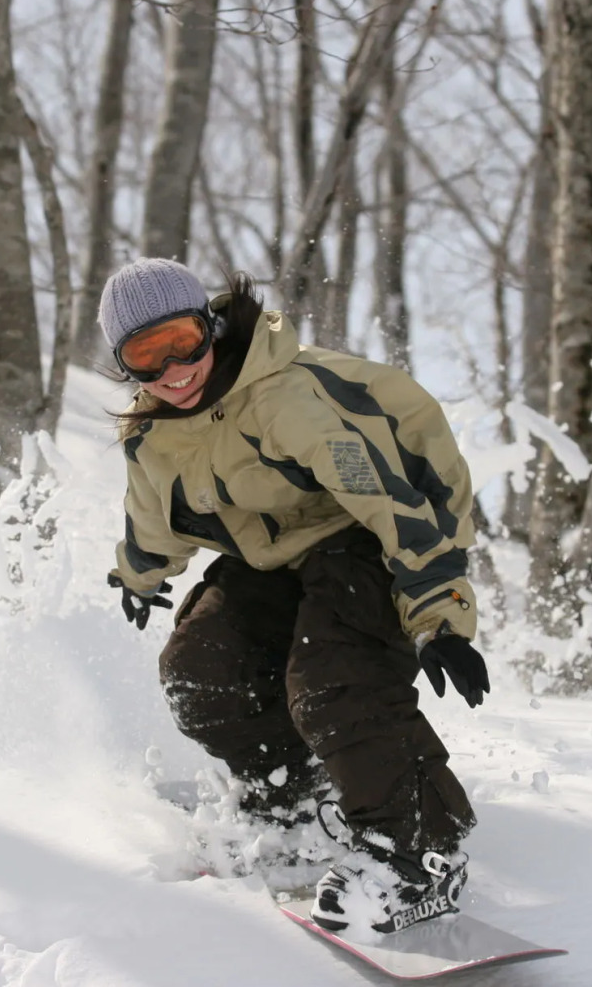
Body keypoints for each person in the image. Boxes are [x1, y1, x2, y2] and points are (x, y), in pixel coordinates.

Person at [100, 257, 491, 935]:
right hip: (284, 552)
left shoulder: (283, 398)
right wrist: (138, 576)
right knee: (201, 670)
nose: (173, 371)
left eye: (183, 342)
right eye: (146, 356)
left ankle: (420, 851)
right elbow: (150, 519)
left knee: (335, 677)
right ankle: (295, 799)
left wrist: (439, 614)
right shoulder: (151, 433)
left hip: (384, 528)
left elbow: (389, 500)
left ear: (212, 327)